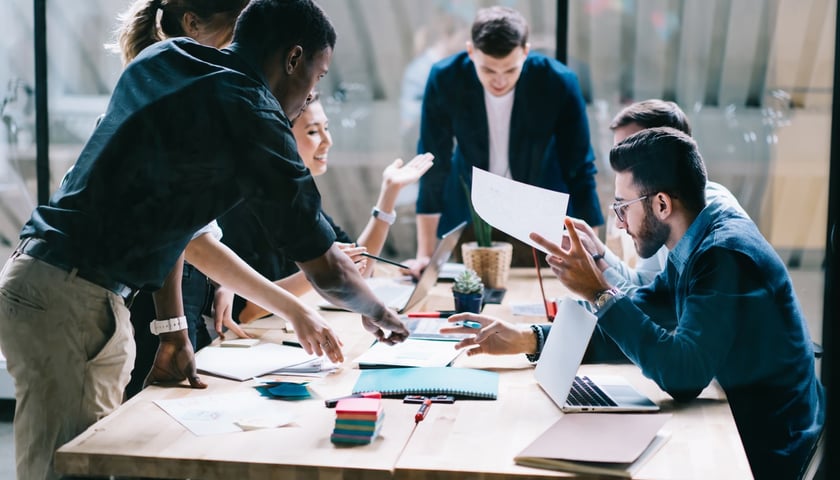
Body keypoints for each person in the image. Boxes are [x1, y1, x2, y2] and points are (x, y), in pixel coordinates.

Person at [0, 1, 408, 479]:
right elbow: (327, 268)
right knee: (62, 469)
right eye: (316, 79)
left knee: (85, 466)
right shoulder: (251, 110)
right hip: (71, 297)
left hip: (58, 285)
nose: (311, 94)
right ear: (293, 59)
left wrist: (172, 329)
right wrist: (382, 315)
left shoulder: (167, 58)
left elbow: (170, 221)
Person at [446, 127, 824, 479]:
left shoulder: (723, 254)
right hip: (741, 421)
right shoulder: (697, 238)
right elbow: (645, 311)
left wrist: (598, 291)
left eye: (623, 207)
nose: (620, 223)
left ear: (661, 204)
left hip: (765, 450)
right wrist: (530, 338)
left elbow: (683, 375)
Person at [408, 6, 603, 272]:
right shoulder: (445, 79)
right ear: (470, 51)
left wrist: (594, 257)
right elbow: (433, 165)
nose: (499, 81)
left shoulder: (558, 82)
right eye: (488, 70)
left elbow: (580, 168)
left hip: (540, 217)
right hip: (471, 217)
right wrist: (425, 254)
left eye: (510, 70)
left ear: (525, 52)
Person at [219, 95, 434, 322]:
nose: (327, 140)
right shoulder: (242, 207)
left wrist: (389, 193)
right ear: (278, 138)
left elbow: (359, 269)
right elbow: (246, 310)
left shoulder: (298, 200)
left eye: (327, 128)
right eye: (312, 131)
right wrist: (323, 272)